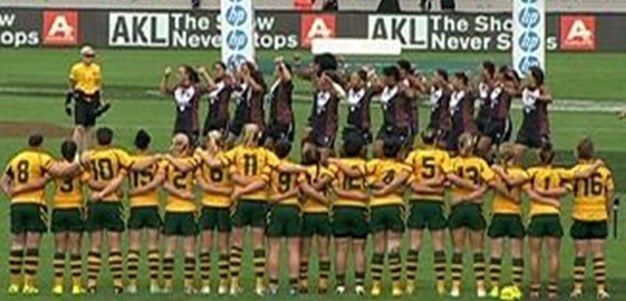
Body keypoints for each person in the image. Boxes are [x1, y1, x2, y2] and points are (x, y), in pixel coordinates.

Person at [1, 134, 80, 295]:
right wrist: (80, 161)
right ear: (41, 144)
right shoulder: (42, 158)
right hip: (35, 205)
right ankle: (29, 285)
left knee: (17, 244)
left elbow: (3, 182)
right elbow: (61, 171)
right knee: (32, 245)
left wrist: (12, 194)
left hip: (17, 206)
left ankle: (14, 285)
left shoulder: (16, 159)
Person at [83, 127, 157, 294]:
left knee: (95, 247)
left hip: (94, 204)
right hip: (112, 204)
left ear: (96, 139)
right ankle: (117, 284)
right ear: (111, 140)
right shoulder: (118, 154)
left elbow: (88, 181)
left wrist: (100, 189)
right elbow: (137, 166)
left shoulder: (90, 156)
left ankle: (92, 284)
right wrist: (155, 158)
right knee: (114, 246)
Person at [524, 143, 602, 298]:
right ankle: (553, 289)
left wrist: (541, 194)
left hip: (536, 215)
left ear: (539, 157)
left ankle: (535, 289)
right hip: (553, 216)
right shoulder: (560, 173)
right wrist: (597, 165)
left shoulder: (531, 172)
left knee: (535, 254)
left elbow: (527, 191)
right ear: (553, 157)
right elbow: (583, 175)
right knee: (554, 254)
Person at [221, 124, 280, 296]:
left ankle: (233, 285)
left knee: (236, 245)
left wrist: (241, 187)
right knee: (258, 245)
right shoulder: (266, 154)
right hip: (259, 202)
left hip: (241, 202)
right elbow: (269, 176)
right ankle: (259, 285)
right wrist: (254, 183)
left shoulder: (236, 152)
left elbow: (221, 163)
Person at [445, 133, 503, 298]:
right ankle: (480, 287)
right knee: (478, 250)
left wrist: (463, 195)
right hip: (475, 207)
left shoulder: (453, 162)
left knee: (457, 250)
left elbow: (447, 179)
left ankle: (455, 287)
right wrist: (476, 192)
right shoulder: (480, 163)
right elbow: (490, 183)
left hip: (457, 207)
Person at [403, 128, 451, 296]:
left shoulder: (414, 155)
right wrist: (434, 186)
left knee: (414, 246)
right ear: (436, 140)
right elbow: (446, 180)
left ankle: (409, 285)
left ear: (422, 140)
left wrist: (421, 187)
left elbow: (410, 183)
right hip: (436, 203)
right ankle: (440, 285)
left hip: (417, 202)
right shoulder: (443, 156)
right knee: (439, 247)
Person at [569, 138, 613, 299]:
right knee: (598, 254)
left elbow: (571, 189)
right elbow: (609, 194)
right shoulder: (604, 172)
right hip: (599, 214)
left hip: (580, 214)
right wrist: (608, 213)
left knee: (580, 254)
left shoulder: (576, 171)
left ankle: (577, 288)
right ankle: (601, 289)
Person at [157, 134, 200, 294]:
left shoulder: (165, 163)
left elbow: (163, 183)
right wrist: (184, 195)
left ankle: (167, 285)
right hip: (188, 210)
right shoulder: (193, 162)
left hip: (171, 210)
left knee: (169, 250)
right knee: (189, 251)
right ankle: (188, 285)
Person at [367, 138, 410, 297]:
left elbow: (366, 178)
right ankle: (396, 286)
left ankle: (376, 286)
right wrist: (392, 189)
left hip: (376, 206)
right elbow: (402, 190)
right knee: (394, 248)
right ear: (398, 152)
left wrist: (379, 187)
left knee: (378, 249)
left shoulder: (374, 164)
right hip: (394, 206)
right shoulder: (403, 167)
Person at [328, 133, 369, 295]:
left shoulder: (335, 165)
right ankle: (359, 285)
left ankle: (340, 285)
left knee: (340, 248)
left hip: (340, 209)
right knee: (359, 249)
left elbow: (331, 185)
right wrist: (359, 196)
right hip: (359, 209)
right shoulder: (366, 165)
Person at [487, 143, 528, 299]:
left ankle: (495, 287)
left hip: (498, 213)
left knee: (496, 253)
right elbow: (517, 191)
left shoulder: (494, 172)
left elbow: (491, 185)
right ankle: (516, 286)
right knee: (517, 254)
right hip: (514, 214)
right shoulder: (521, 173)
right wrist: (514, 198)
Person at [194, 131, 233, 295]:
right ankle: (223, 284)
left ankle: (206, 284)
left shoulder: (201, 158)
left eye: (209, 139)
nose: (206, 142)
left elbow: (203, 185)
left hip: (209, 205)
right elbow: (232, 186)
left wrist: (214, 190)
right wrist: (225, 191)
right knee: (223, 247)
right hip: (223, 206)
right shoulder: (229, 157)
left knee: (206, 247)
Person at [125, 130, 163, 294]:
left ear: (135, 144)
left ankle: (132, 284)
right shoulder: (155, 162)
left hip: (135, 207)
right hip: (152, 205)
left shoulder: (130, 161)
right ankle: (154, 284)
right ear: (149, 144)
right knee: (153, 247)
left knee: (134, 247)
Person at [50, 140, 89, 296]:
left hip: (59, 209)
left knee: (59, 249)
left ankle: (58, 285)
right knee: (76, 249)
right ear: (75, 153)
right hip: (75, 209)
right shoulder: (79, 169)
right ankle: (76, 286)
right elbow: (88, 182)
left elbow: (48, 177)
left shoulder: (56, 167)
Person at [266, 140, 303, 295]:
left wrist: (276, 198)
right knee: (293, 249)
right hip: (293, 208)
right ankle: (294, 286)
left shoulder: (270, 168)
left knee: (274, 249)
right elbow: (300, 191)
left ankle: (273, 286)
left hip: (276, 209)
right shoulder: (295, 169)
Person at [298, 148, 334, 294]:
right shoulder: (327, 172)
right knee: (324, 252)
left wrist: (307, 195)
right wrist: (325, 200)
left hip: (307, 213)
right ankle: (323, 282)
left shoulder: (303, 173)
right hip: (323, 214)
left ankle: (303, 282)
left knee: (305, 252)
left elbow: (302, 193)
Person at [66, 45, 107, 151]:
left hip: (93, 97)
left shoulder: (96, 68)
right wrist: (69, 99)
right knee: (79, 127)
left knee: (90, 128)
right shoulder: (76, 68)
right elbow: (72, 83)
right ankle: (74, 152)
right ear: (82, 56)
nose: (90, 58)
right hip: (81, 97)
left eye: (92, 56)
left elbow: (98, 84)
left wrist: (100, 100)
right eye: (88, 56)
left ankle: (86, 152)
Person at [160, 65, 213, 145]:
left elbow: (212, 87)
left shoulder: (195, 88)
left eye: (180, 73)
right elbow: (164, 91)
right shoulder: (177, 88)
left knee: (191, 150)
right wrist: (166, 77)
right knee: (176, 149)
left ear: (187, 75)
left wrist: (204, 73)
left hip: (192, 125)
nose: (177, 76)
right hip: (179, 124)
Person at [476, 66, 517, 161]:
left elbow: (515, 92)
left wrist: (511, 79)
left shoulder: (508, 85)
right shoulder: (494, 85)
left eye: (498, 73)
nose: (496, 75)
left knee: (498, 150)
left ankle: (499, 166)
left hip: (501, 121)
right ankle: (491, 164)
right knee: (481, 148)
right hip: (491, 120)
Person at [372, 66, 413, 158]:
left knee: (399, 155)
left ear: (391, 78)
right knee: (377, 150)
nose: (382, 79)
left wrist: (405, 89)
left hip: (400, 126)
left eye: (384, 77)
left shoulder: (400, 90)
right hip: (387, 125)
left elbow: (411, 95)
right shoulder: (384, 90)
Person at [303, 71, 344, 159]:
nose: (322, 82)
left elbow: (342, 94)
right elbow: (314, 81)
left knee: (324, 155)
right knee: (307, 151)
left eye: (325, 80)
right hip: (315, 127)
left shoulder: (334, 96)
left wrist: (331, 82)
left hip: (327, 129)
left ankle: (335, 166)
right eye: (321, 79)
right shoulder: (317, 94)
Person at [227, 62, 267, 148]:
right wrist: (235, 76)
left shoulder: (257, 85)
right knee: (230, 139)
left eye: (245, 70)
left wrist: (248, 76)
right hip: (240, 114)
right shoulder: (243, 86)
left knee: (248, 140)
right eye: (242, 70)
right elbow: (237, 88)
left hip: (253, 115)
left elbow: (256, 88)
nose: (243, 73)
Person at [516, 66, 553, 150]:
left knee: (542, 154)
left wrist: (536, 97)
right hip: (526, 126)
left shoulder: (541, 89)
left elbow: (549, 98)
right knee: (516, 151)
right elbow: (517, 93)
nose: (527, 78)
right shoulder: (525, 88)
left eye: (529, 76)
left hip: (539, 127)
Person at [266, 57, 295, 148]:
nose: (275, 71)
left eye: (278, 70)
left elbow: (288, 79)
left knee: (280, 146)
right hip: (273, 120)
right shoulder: (275, 85)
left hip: (283, 121)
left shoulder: (285, 85)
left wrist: (281, 64)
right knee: (268, 144)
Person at [343, 69, 374, 146]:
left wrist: (371, 77)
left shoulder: (366, 93)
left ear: (361, 81)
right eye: (351, 79)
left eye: (355, 79)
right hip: (350, 124)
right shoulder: (349, 92)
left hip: (362, 125)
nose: (351, 81)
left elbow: (376, 86)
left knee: (362, 148)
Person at [448, 72, 477, 153]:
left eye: (454, 79)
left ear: (460, 81)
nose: (452, 82)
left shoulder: (467, 94)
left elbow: (474, 93)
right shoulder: (453, 94)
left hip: (464, 126)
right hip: (454, 126)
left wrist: (470, 82)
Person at [202, 61, 233, 137]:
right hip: (211, 114)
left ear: (224, 71)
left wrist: (204, 74)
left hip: (221, 115)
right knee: (205, 139)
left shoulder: (227, 81)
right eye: (215, 70)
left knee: (217, 138)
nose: (217, 72)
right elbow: (209, 88)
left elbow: (215, 87)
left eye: (219, 69)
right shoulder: (215, 82)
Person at [425, 69, 452, 149]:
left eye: (434, 76)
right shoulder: (433, 89)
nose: (432, 78)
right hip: (433, 119)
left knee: (440, 142)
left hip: (442, 121)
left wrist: (444, 83)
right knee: (427, 138)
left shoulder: (446, 91)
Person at [475, 61, 495, 135]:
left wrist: (487, 78)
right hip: (481, 114)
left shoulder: (494, 83)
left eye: (482, 69)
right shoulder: (481, 84)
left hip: (490, 116)